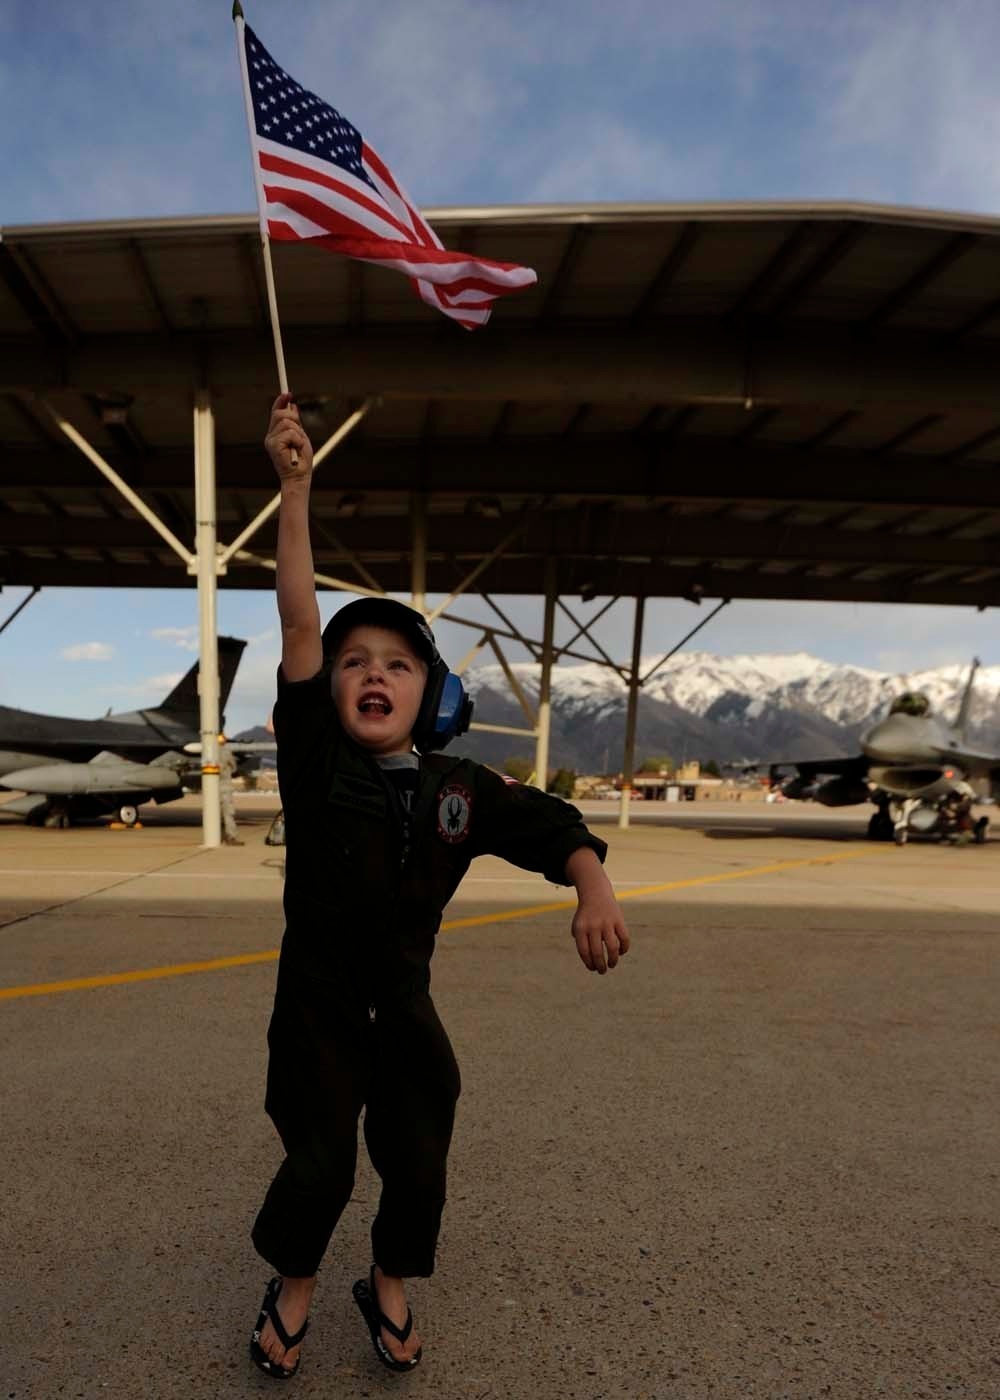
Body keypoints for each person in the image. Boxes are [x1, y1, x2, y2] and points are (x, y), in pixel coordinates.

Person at [249, 393, 630, 1381]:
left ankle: (384, 1279)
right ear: (328, 689)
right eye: (353, 663)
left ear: (430, 691)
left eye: (398, 663)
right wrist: (296, 491)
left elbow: (547, 821)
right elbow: (298, 615)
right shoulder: (313, 765)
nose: (373, 673)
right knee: (321, 1160)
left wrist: (590, 881)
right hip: (318, 1005)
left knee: (418, 1155)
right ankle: (290, 1280)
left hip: (405, 1006)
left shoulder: (463, 788)